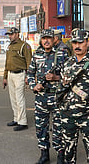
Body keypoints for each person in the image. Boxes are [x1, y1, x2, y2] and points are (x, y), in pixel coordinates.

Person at [55, 29, 89, 164]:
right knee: (69, 152)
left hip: (87, 116)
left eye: (80, 42)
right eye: (74, 42)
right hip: (68, 115)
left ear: (86, 43)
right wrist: (61, 109)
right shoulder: (67, 63)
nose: (77, 46)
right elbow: (61, 88)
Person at [26, 29, 68, 164]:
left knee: (59, 128)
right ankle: (44, 154)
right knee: (41, 127)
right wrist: (34, 85)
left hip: (58, 97)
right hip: (41, 98)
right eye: (44, 38)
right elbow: (30, 73)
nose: (46, 41)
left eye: (49, 38)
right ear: (41, 40)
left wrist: (56, 77)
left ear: (54, 39)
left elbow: (70, 75)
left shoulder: (62, 54)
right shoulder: (36, 54)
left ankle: (61, 155)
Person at [3, 27, 32, 131]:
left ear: (17, 34)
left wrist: (29, 76)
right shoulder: (10, 46)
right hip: (11, 74)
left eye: (11, 34)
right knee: (13, 98)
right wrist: (5, 77)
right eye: (9, 34)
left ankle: (23, 122)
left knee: (19, 99)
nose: (10, 36)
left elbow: (29, 62)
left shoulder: (24, 46)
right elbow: (7, 63)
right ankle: (16, 118)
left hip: (20, 74)